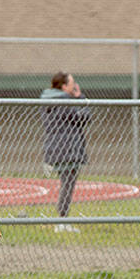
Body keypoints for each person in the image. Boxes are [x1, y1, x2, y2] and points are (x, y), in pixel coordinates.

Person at [40, 71, 90, 232]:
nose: (74, 86)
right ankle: (62, 220)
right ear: (63, 86)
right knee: (68, 184)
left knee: (66, 183)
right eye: (71, 84)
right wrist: (80, 97)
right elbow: (84, 117)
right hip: (68, 148)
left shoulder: (48, 100)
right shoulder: (64, 101)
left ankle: (62, 219)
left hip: (55, 147)